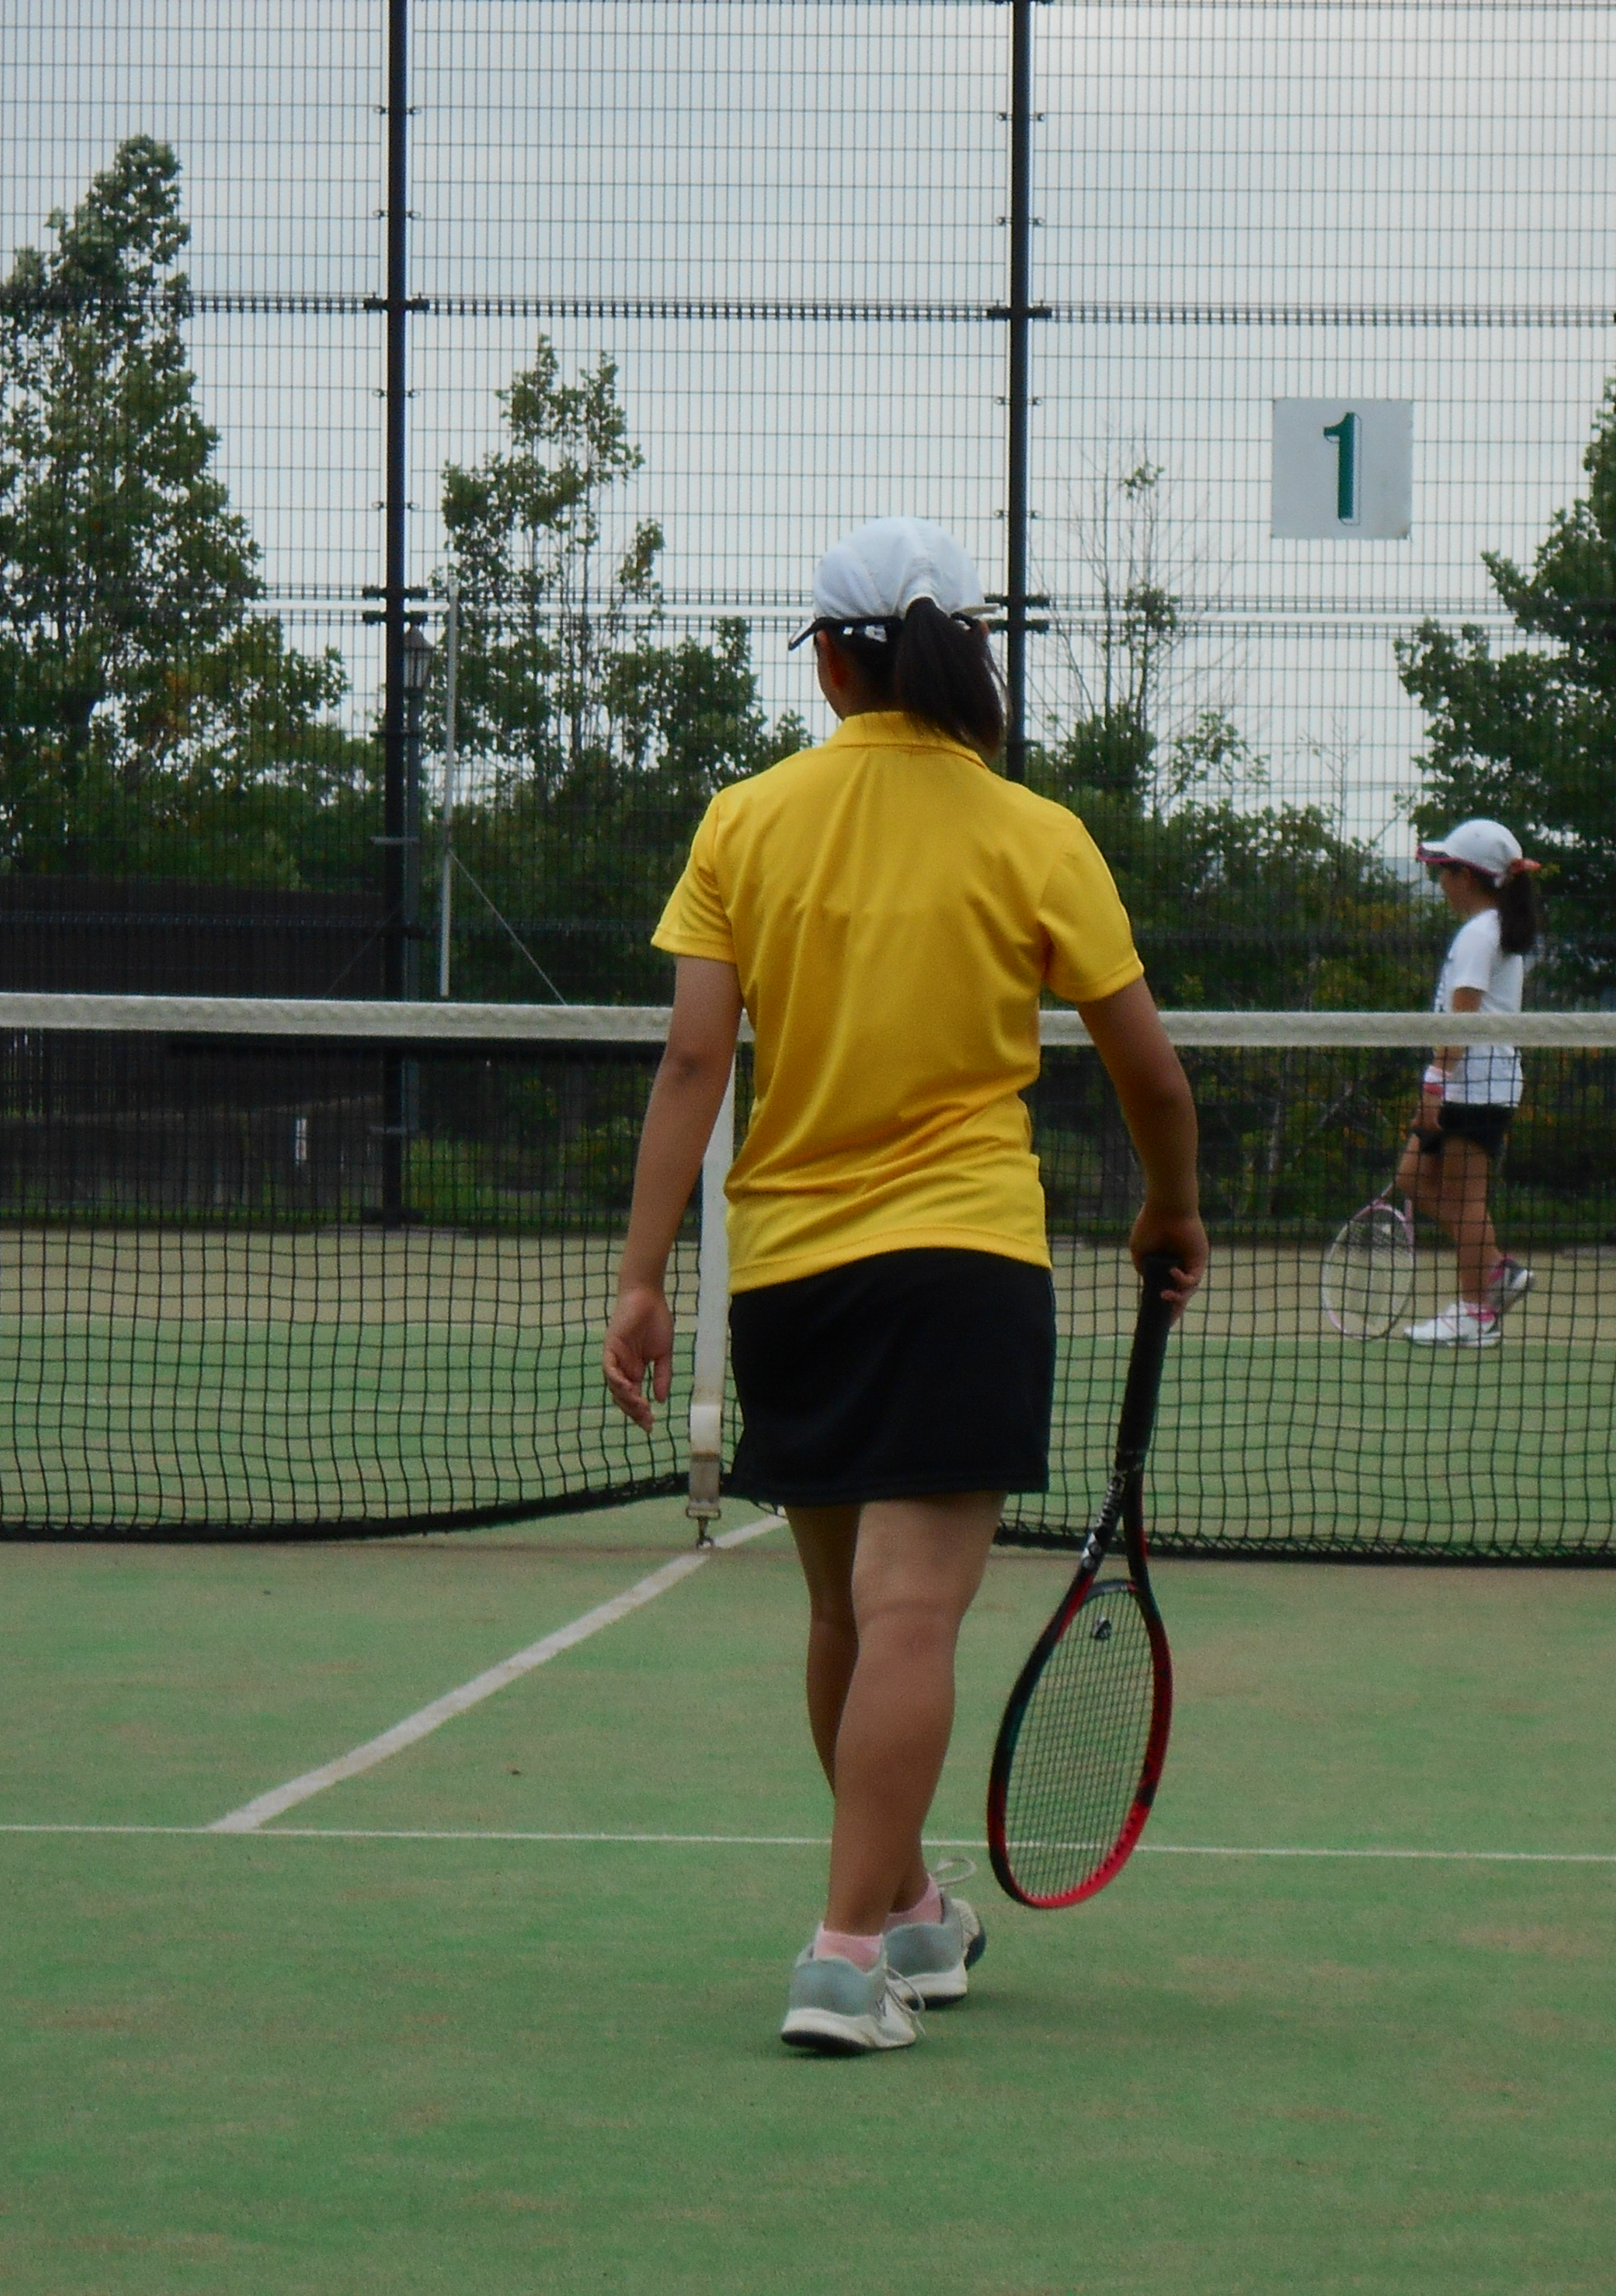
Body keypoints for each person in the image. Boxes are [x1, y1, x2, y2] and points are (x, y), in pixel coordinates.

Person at [601, 516, 1206, 2056]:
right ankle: (842, 1951)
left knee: (843, 1618)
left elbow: (690, 1062)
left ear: (827, 658)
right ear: (965, 653)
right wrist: (1169, 1214)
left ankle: (911, 1913)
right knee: (913, 1616)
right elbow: (1151, 1073)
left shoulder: (745, 820)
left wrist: (640, 1279)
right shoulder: (1033, 833)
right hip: (963, 1267)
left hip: (791, 1279)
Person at [1399, 818, 1542, 1349]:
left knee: (1465, 1200)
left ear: (1467, 877)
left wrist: (1434, 1087)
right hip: (1472, 1083)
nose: (1440, 883)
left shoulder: (1482, 933)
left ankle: (1476, 1313)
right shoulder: (1488, 928)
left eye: (1445, 871)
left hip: (1475, 1085)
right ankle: (1497, 1269)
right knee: (1415, 1179)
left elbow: (1461, 1019)